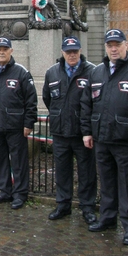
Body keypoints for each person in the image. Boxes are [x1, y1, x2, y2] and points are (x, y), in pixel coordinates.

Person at [81, 29, 128, 246]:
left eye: (117, 44)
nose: (113, 49)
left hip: (127, 139)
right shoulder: (97, 72)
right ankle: (107, 219)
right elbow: (87, 104)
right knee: (106, 182)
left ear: (126, 45)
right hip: (102, 138)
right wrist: (87, 131)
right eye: (109, 45)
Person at [0, 37, 37, 210]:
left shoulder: (21, 73)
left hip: (16, 126)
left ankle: (20, 194)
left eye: (5, 48)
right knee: (1, 160)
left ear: (11, 51)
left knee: (18, 161)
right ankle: (5, 192)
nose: (2, 52)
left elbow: (31, 101)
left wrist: (28, 123)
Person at [42, 36, 97, 224]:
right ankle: (63, 204)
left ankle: (87, 207)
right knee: (62, 171)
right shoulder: (52, 72)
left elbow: (95, 102)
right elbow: (47, 99)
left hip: (83, 133)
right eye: (68, 52)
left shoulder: (92, 72)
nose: (72, 55)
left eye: (75, 51)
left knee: (86, 171)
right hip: (60, 132)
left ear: (80, 51)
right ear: (62, 53)